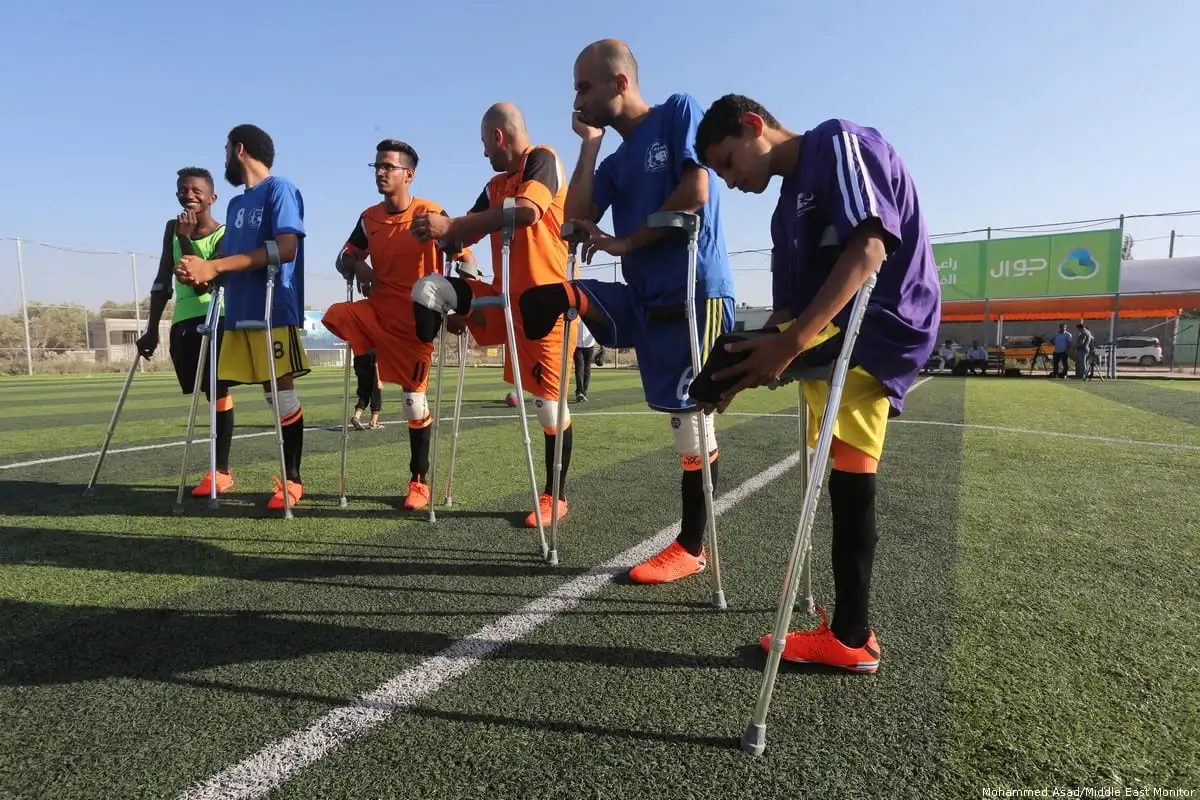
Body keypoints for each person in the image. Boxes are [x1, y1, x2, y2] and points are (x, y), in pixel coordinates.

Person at [691, 93, 940, 672]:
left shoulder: (835, 142)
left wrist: (793, 341)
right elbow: (787, 315)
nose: (730, 180)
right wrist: (743, 365)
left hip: (882, 322)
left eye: (728, 161)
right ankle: (851, 631)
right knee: (842, 465)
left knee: (852, 472)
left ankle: (853, 638)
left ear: (755, 126)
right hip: (839, 330)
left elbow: (872, 244)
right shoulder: (785, 211)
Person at [518, 39, 736, 585]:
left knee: (690, 415)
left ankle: (691, 545)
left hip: (695, 293)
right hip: (646, 298)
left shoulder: (678, 112)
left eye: (584, 86)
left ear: (620, 83)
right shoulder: (613, 161)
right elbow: (576, 220)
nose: (576, 98)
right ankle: (564, 305)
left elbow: (697, 189)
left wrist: (625, 243)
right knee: (562, 290)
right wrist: (589, 147)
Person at [409, 102, 576, 529]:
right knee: (429, 287)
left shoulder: (543, 159)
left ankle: (556, 495)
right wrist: (442, 233)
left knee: (547, 410)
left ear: (499, 137)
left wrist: (458, 228)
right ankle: (426, 352)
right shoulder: (494, 184)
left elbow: (527, 212)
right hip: (504, 303)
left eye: (486, 145)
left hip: (545, 304)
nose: (485, 154)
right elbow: (470, 226)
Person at [323, 139, 477, 510]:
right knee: (337, 314)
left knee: (412, 403)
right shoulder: (368, 217)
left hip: (415, 322)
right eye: (377, 165)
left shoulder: (430, 213)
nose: (380, 171)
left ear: (408, 174)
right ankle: (371, 360)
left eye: (388, 166)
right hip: (377, 313)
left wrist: (459, 307)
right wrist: (359, 265)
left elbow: (466, 259)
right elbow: (343, 257)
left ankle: (419, 481)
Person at [175, 124, 309, 512]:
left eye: (225, 150)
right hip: (237, 313)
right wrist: (202, 270)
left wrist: (215, 267)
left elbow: (285, 249)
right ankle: (220, 471)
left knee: (279, 394)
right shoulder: (235, 205)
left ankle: (293, 480)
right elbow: (225, 264)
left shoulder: (280, 189)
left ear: (238, 149)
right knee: (218, 388)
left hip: (272, 310)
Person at [137, 167, 237, 497]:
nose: (188, 195)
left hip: (215, 320)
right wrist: (151, 328)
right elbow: (163, 277)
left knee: (217, 391)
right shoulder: (171, 228)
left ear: (212, 197)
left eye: (196, 190)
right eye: (183, 190)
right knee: (199, 393)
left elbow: (204, 280)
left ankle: (220, 471)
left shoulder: (224, 234)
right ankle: (216, 469)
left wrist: (186, 238)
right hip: (182, 321)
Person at [351, 350, 382, 430]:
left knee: (363, 396)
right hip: (372, 373)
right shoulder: (373, 347)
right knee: (376, 397)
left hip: (362, 373)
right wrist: (379, 380)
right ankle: (373, 423)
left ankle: (356, 416)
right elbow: (376, 364)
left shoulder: (359, 348)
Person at [573, 321, 596, 401]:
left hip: (589, 344)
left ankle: (584, 392)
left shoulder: (590, 314)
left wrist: (602, 346)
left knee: (587, 369)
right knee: (579, 367)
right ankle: (579, 392)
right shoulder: (575, 313)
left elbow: (597, 328)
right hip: (576, 344)